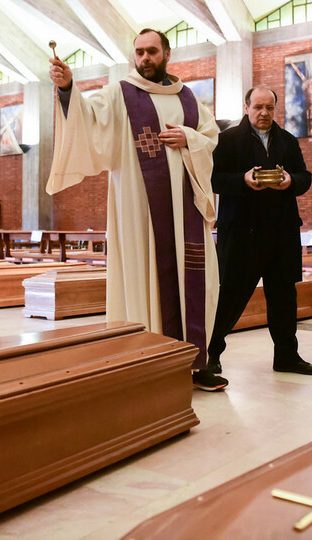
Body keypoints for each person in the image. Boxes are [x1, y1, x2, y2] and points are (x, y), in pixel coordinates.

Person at [48, 28, 227, 391]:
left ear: (167, 54)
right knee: (145, 275)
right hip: (139, 211)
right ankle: (146, 357)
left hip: (186, 211)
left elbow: (211, 139)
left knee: (197, 280)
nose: (144, 59)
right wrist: (68, 88)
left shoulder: (189, 99)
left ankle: (196, 363)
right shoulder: (120, 93)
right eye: (139, 52)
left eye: (152, 52)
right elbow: (88, 119)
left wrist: (188, 139)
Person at [207, 86, 312, 377]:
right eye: (258, 107)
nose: (264, 113)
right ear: (246, 107)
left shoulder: (287, 140)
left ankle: (287, 356)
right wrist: (243, 180)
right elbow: (214, 179)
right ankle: (210, 354)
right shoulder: (228, 140)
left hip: (281, 232)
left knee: (284, 298)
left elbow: (305, 178)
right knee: (230, 297)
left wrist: (289, 181)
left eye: (269, 108)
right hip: (243, 233)